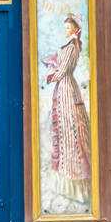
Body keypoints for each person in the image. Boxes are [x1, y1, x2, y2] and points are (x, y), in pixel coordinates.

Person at [42, 15, 91, 206]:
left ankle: (75, 182)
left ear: (75, 29)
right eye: (64, 27)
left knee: (71, 132)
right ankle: (65, 181)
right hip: (62, 90)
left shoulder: (72, 47)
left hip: (67, 90)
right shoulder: (67, 46)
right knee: (64, 133)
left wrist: (49, 75)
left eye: (68, 27)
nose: (65, 30)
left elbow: (62, 72)